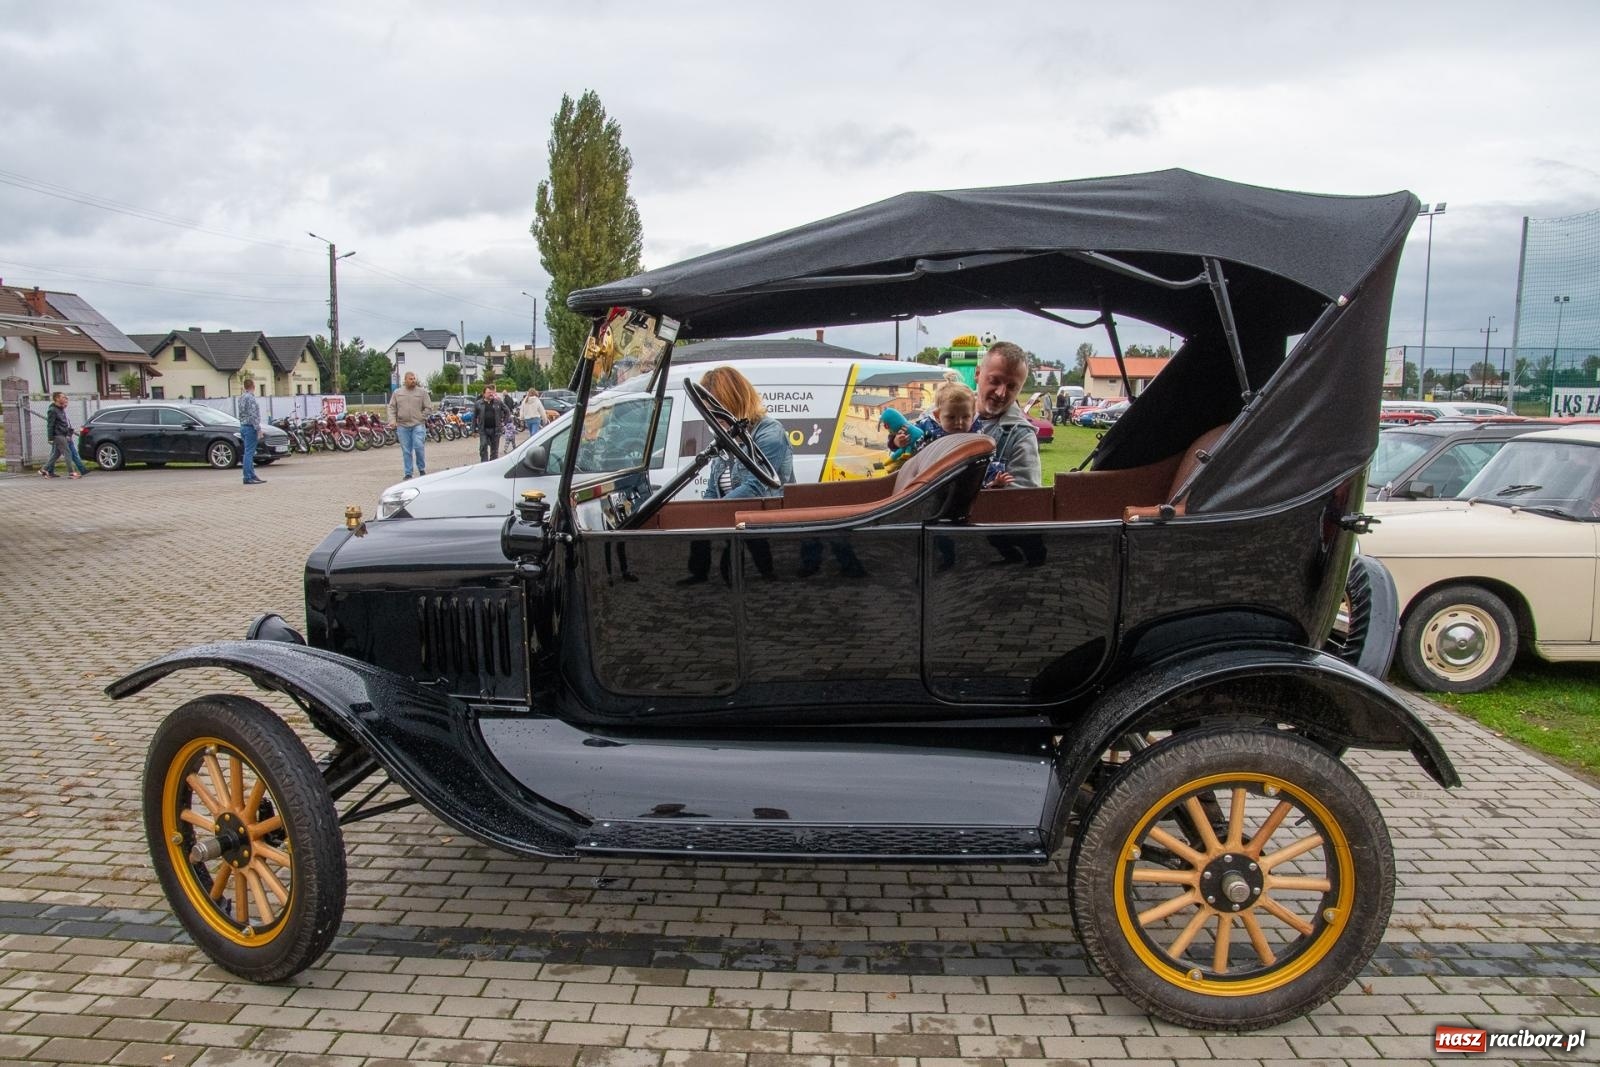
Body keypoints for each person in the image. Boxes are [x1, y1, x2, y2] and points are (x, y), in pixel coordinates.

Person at [701, 365, 796, 498]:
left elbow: (755, 488)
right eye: (708, 411)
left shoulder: (770, 433)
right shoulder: (723, 440)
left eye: (719, 408)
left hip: (763, 516)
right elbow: (712, 491)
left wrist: (714, 510)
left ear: (737, 401)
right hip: (730, 517)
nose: (714, 416)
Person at [971, 341, 1041, 488]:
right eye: (994, 381)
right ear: (977, 374)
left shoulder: (1021, 436)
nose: (1000, 393)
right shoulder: (940, 412)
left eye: (1011, 386)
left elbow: (1024, 500)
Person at [387, 371, 434, 479]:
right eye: (411, 379)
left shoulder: (422, 392)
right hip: (402, 425)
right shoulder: (397, 392)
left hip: (418, 424)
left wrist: (421, 417)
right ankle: (408, 473)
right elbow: (392, 407)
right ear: (405, 380)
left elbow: (428, 407)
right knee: (406, 450)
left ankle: (421, 469)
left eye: (414, 379)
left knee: (418, 446)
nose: (413, 381)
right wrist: (392, 420)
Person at [42, 392, 89, 479]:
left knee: (56, 454)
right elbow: (50, 424)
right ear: (57, 398)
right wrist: (50, 437)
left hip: (64, 434)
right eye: (63, 397)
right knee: (68, 453)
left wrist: (69, 433)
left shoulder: (60, 409)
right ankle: (71, 473)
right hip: (59, 435)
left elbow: (65, 424)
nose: (65, 398)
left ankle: (44, 469)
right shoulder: (52, 410)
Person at [237, 379, 264, 484]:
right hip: (250, 427)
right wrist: (258, 429)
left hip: (243, 426)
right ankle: (248, 477)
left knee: (248, 452)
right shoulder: (251, 398)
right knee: (249, 453)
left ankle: (252, 475)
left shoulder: (241, 397)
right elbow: (253, 414)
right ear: (253, 386)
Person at [472, 385, 506, 462]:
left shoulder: (498, 402)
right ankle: (484, 463)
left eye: (491, 392)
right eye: (488, 392)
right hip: (483, 430)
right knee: (483, 446)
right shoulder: (478, 403)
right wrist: (473, 430)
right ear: (484, 394)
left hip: (495, 430)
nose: (491, 394)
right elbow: (474, 417)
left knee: (494, 449)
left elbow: (507, 411)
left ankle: (493, 464)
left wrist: (504, 422)